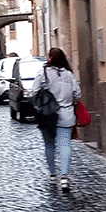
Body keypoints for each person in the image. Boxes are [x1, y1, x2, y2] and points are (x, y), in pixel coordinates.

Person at [31, 47, 81, 193]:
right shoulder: (69, 75)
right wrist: (71, 102)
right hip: (66, 114)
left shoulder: (43, 73)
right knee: (65, 144)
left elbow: (34, 92)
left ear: (50, 58)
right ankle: (64, 177)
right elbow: (77, 94)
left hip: (47, 114)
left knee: (49, 145)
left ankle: (53, 175)